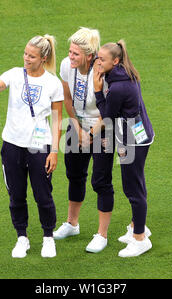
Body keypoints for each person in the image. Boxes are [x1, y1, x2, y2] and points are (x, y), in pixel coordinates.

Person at [0, 35, 63, 258]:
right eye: (25, 53)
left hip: (39, 147)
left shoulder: (53, 83)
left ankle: (48, 238)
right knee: (16, 195)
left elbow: (57, 120)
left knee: (43, 195)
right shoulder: (14, 74)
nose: (26, 58)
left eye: (31, 56)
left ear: (43, 58)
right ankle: (21, 237)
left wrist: (54, 151)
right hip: (12, 145)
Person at [53, 27, 115, 254]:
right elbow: (67, 97)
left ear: (90, 56)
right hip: (77, 124)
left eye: (75, 54)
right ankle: (72, 224)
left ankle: (102, 235)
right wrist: (76, 126)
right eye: (70, 51)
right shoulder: (65, 66)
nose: (70, 57)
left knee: (101, 181)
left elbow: (108, 108)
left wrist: (89, 135)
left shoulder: (103, 72)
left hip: (102, 127)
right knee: (74, 175)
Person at [93, 40, 155, 257]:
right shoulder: (125, 73)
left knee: (132, 188)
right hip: (137, 134)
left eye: (102, 59)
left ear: (115, 61)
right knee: (136, 183)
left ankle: (140, 238)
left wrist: (97, 91)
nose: (97, 62)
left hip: (133, 140)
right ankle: (137, 227)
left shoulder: (118, 86)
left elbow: (107, 117)